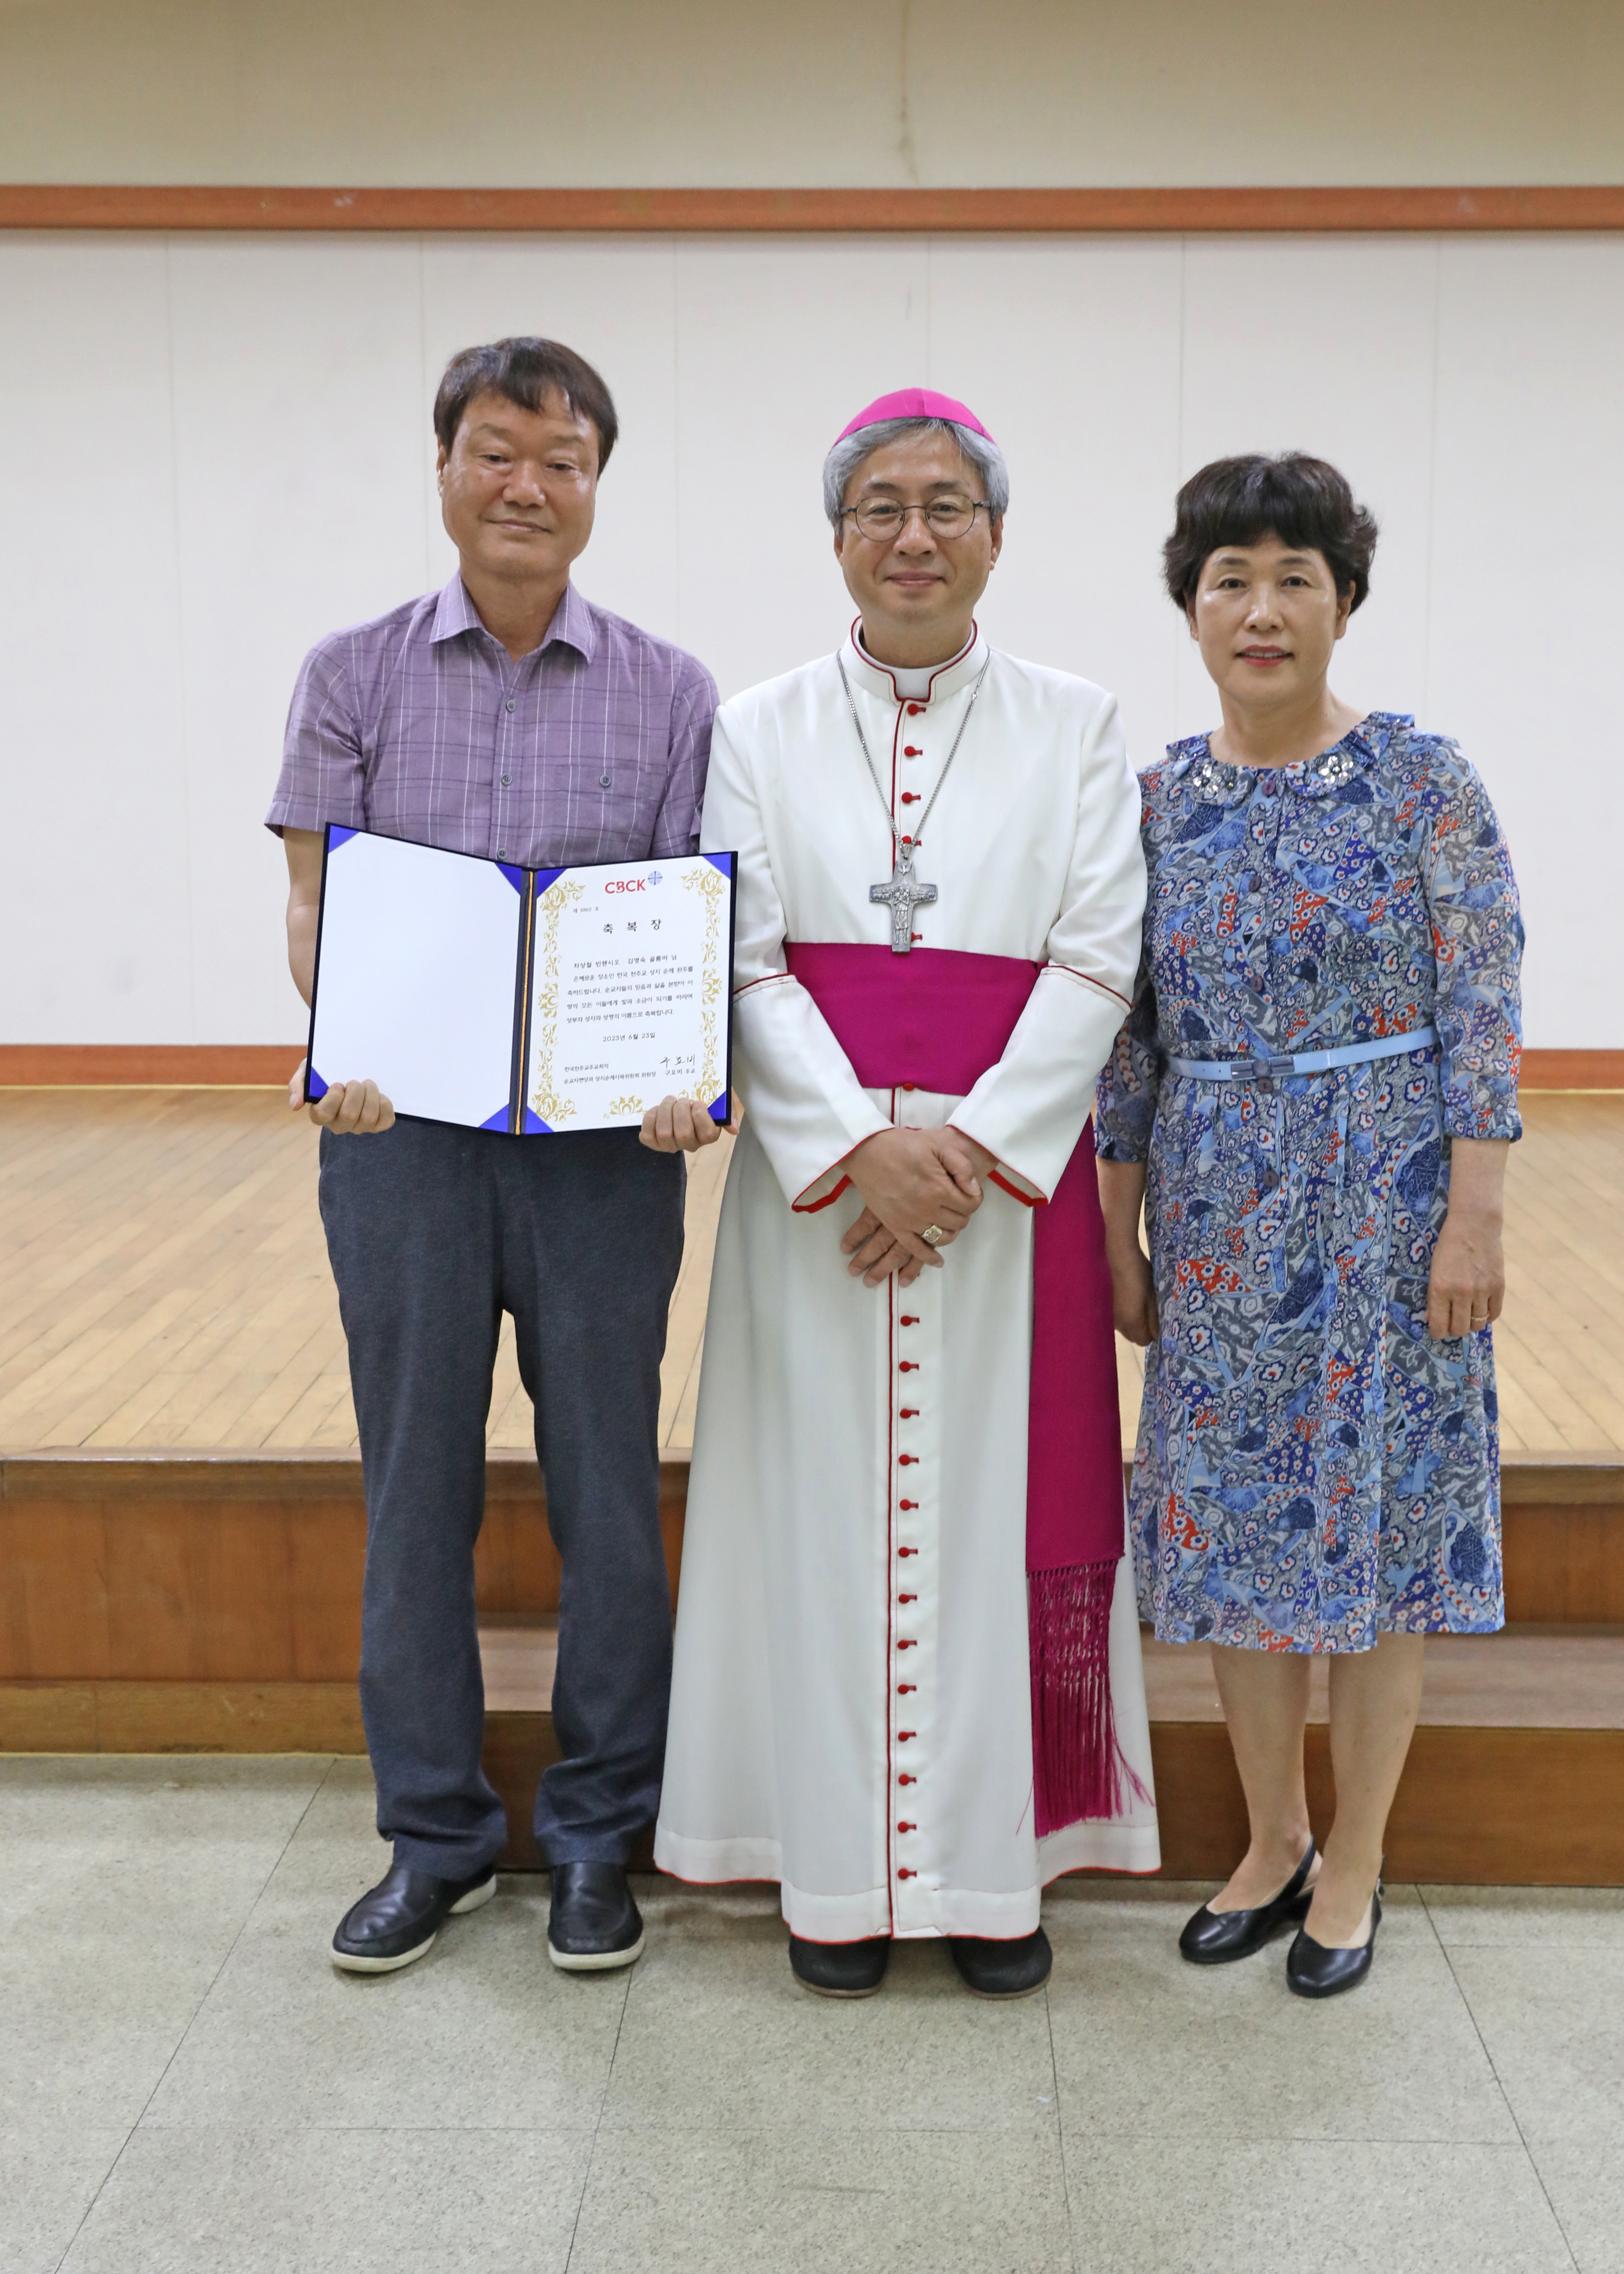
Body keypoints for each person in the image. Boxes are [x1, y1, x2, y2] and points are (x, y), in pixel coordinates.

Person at [645, 387, 1160, 1999]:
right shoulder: (756, 725)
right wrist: (858, 1145)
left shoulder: (1075, 720)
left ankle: (988, 1881)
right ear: (838, 537)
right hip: (825, 1205)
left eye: (947, 504)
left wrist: (965, 1152)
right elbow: (738, 954)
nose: (915, 534)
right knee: (815, 1519)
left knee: (998, 1515)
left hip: (1003, 1205)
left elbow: (1097, 956)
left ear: (995, 535)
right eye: (882, 505)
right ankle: (835, 1884)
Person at [269, 337, 717, 1975]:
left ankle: (602, 1836)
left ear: (598, 484)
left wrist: (681, 1078)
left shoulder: (672, 691)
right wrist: (346, 1043)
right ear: (446, 467)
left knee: (607, 1496)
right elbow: (317, 905)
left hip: (607, 1157)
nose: (526, 485)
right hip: (403, 1151)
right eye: (494, 450)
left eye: (562, 458)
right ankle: (436, 1835)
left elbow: (682, 926)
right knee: (416, 1494)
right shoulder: (352, 672)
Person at [1096, 453, 1522, 1998]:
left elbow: (1484, 1011)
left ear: (1344, 601)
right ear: (1191, 609)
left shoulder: (1423, 782)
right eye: (1230, 581)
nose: (1262, 610)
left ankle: (1359, 1855)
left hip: (1393, 1199)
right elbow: (1127, 1040)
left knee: (1383, 1535)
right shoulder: (1150, 806)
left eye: (1294, 578)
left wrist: (1473, 1220)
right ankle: (1272, 1836)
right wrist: (1116, 1229)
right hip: (1219, 1205)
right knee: (1231, 1530)